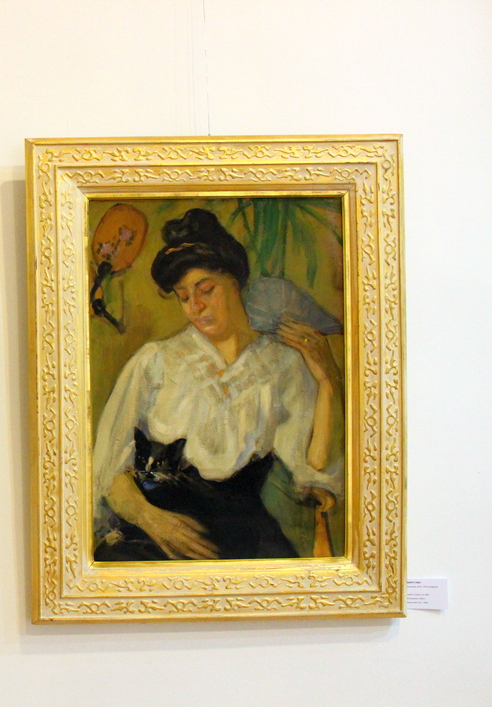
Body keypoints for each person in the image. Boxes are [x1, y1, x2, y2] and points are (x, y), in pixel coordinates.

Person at [93, 209, 342, 562]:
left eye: (206, 290)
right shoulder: (156, 361)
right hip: (153, 536)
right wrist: (152, 520)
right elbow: (109, 469)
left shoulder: (282, 364)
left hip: (243, 538)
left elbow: (311, 471)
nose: (195, 306)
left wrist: (327, 382)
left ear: (235, 284)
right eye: (183, 297)